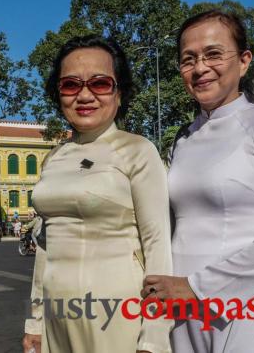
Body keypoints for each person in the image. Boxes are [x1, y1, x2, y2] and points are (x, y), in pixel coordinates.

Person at [141, 10, 254, 353]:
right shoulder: (183, 140)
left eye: (214, 54)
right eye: (188, 59)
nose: (200, 68)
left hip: (252, 306)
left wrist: (198, 287)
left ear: (245, 60)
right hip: (182, 310)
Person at [22, 35, 172, 353]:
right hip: (57, 318)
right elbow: (45, 247)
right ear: (57, 93)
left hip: (116, 316)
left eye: (100, 83)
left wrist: (154, 339)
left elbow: (158, 247)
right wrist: (35, 323)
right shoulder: (53, 158)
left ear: (119, 92)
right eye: (71, 85)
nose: (85, 95)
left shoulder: (138, 151)